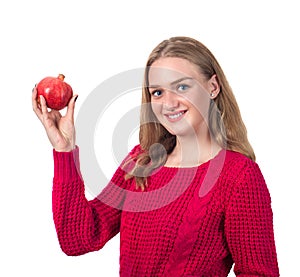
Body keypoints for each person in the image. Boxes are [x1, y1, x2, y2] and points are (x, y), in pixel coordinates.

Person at [32, 36, 280, 276]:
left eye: (182, 87)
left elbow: (259, 273)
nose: (168, 103)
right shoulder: (141, 161)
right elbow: (77, 239)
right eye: (157, 92)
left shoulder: (239, 176)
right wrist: (64, 150)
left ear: (212, 87)